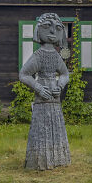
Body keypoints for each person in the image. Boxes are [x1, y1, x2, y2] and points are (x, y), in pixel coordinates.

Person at [19, 13, 71, 170]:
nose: (53, 32)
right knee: (42, 127)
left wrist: (60, 85)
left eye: (57, 28)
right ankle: (40, 161)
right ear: (39, 30)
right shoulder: (38, 56)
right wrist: (38, 88)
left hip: (54, 98)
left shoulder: (56, 56)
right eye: (47, 27)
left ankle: (57, 159)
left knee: (56, 125)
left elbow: (65, 74)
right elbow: (23, 74)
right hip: (42, 98)